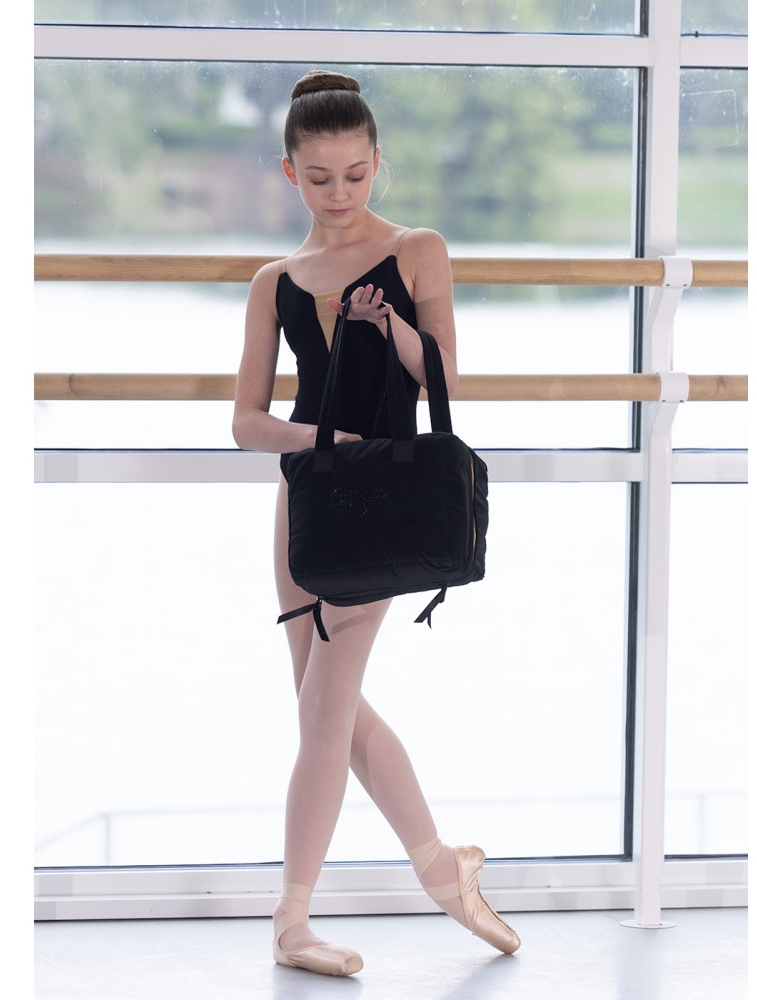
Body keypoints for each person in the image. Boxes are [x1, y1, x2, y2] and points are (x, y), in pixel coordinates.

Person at [232, 69, 520, 977]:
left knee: (324, 713)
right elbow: (247, 422)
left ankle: (291, 919)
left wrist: (388, 325)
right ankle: (443, 869)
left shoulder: (416, 249)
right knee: (326, 705)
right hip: (306, 497)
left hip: (381, 501)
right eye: (320, 177)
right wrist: (322, 438)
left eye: (356, 174)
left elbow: (445, 376)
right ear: (290, 172)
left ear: (377, 163)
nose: (340, 193)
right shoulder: (274, 282)